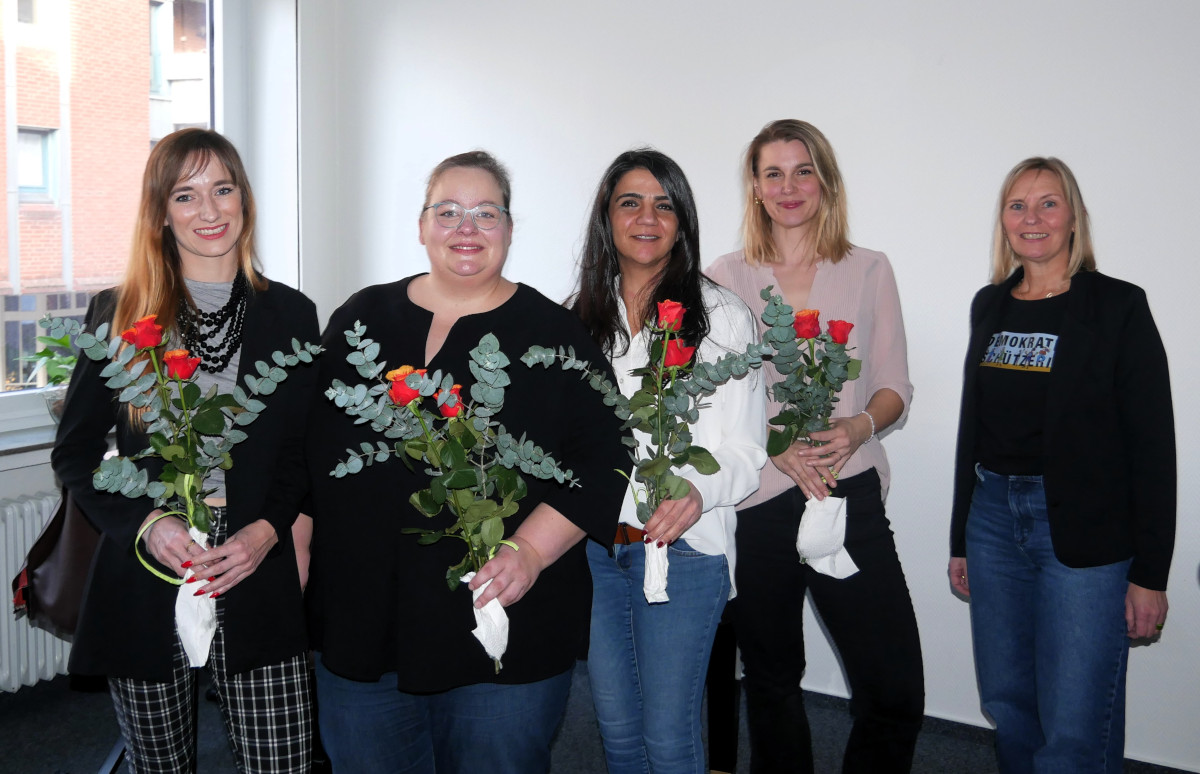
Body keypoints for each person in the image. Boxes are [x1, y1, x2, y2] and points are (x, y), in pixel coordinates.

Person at [303, 151, 629, 773]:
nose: (466, 228)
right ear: (421, 225)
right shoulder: (359, 319)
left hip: (501, 617)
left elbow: (606, 456)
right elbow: (310, 450)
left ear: (509, 228)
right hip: (365, 623)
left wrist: (529, 550)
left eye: (486, 213)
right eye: (447, 211)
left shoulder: (556, 334)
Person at [51, 128, 318, 773]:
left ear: (244, 201)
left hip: (252, 561)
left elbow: (303, 453)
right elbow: (77, 454)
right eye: (186, 195)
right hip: (147, 565)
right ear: (161, 212)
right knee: (160, 765)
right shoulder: (120, 315)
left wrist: (266, 532)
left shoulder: (292, 315)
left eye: (223, 190)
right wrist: (147, 524)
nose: (209, 211)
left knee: (282, 760)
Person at [707, 119, 924, 773]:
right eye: (773, 173)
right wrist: (775, 446)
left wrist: (859, 427)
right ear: (755, 186)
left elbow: (893, 387)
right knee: (772, 681)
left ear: (825, 180)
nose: (789, 186)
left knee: (894, 690)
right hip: (759, 504)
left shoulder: (868, 269)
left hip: (845, 489)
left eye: (803, 170)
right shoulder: (722, 276)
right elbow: (718, 400)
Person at [948, 157, 1174, 772]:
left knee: (1075, 722)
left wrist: (1151, 572)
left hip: (1084, 529)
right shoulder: (989, 305)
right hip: (993, 519)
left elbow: (1154, 444)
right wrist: (961, 537)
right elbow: (975, 426)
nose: (1032, 218)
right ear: (1004, 221)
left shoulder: (1119, 306)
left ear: (1073, 217)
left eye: (1049, 203)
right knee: (1009, 698)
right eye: (1018, 205)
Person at [571, 149, 767, 773]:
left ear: (682, 221)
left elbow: (747, 450)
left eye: (664, 204)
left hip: (682, 552)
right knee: (619, 734)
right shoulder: (579, 320)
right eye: (630, 202)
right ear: (608, 217)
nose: (647, 217)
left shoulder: (723, 320)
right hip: (596, 552)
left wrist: (698, 492)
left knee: (668, 735)